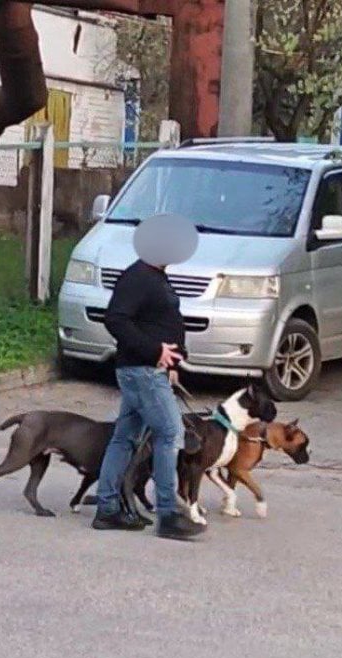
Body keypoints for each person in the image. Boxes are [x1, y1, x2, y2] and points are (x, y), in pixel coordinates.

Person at [92, 214, 205, 540]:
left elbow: (159, 321)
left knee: (125, 437)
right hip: (142, 371)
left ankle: (108, 508)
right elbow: (116, 319)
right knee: (170, 435)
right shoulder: (138, 277)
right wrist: (156, 352)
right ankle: (169, 515)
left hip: (148, 371)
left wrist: (171, 364)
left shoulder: (156, 277)